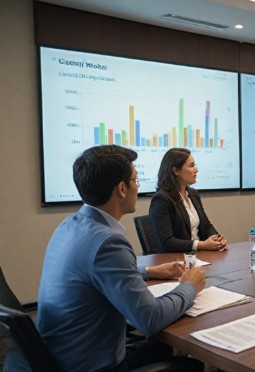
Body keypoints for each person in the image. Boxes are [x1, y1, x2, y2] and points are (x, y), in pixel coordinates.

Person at [4, 145, 205, 372]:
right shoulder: (108, 241)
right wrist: (189, 286)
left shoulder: (70, 225)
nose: (137, 188)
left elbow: (88, 275)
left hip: (61, 354)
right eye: (136, 181)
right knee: (192, 366)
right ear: (121, 188)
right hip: (88, 366)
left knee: (160, 349)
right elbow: (149, 320)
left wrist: (148, 272)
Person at [149, 148, 227, 252]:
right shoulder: (161, 199)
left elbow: (206, 225)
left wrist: (216, 239)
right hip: (176, 260)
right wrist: (201, 245)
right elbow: (167, 242)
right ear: (176, 170)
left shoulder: (193, 194)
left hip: (200, 256)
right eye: (191, 166)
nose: (196, 169)